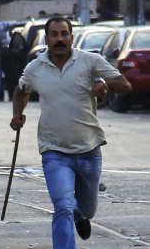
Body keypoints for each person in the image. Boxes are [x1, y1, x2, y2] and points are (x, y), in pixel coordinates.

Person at [9, 16, 132, 249]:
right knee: (62, 206)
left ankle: (81, 214)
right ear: (47, 39)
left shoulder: (90, 61)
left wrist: (104, 84)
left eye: (64, 34)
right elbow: (21, 90)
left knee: (88, 208)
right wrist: (17, 113)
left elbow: (125, 85)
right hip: (54, 150)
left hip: (89, 149)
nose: (59, 39)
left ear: (71, 37)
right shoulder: (35, 67)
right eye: (54, 35)